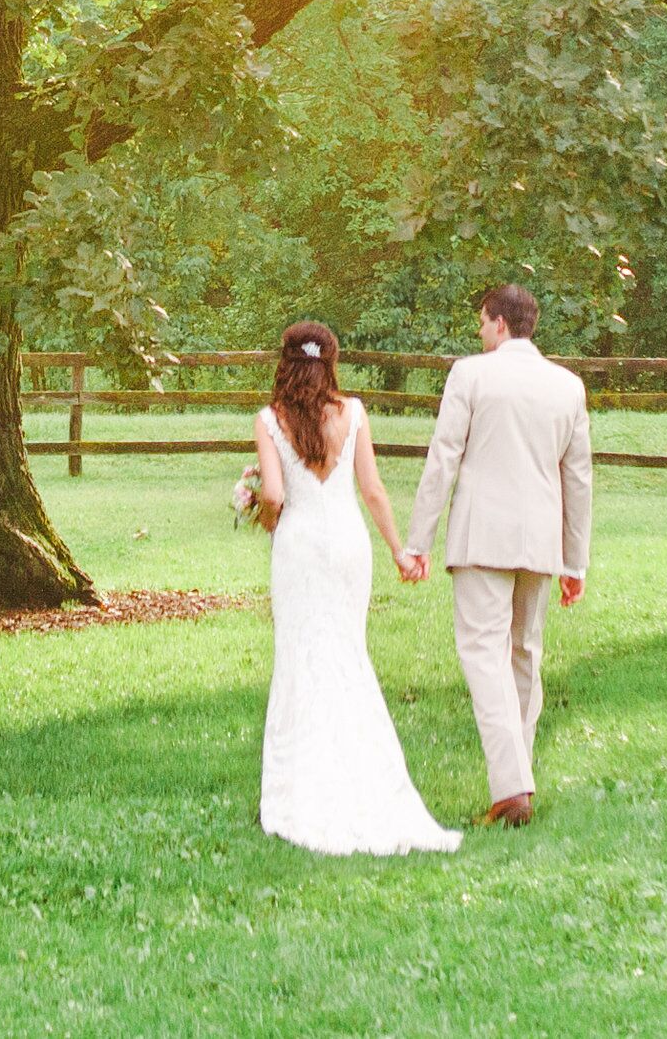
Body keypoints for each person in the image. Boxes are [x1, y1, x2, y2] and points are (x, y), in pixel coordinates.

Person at [248, 320, 462, 856]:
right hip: (348, 544)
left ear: (286, 361)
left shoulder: (269, 420)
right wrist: (398, 549)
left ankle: (304, 784)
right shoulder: (355, 412)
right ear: (330, 361)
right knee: (346, 652)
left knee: (301, 655)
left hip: (299, 546)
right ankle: (363, 774)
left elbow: (273, 492)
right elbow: (372, 489)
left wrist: (265, 517)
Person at [400, 282, 594, 827]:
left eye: (483, 323)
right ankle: (518, 779)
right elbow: (577, 479)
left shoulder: (470, 374)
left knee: (485, 654)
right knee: (523, 654)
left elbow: (444, 458)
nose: (480, 334)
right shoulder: (567, 386)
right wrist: (575, 560)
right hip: (540, 542)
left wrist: (418, 542)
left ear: (501, 323)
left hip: (482, 536)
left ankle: (512, 787)